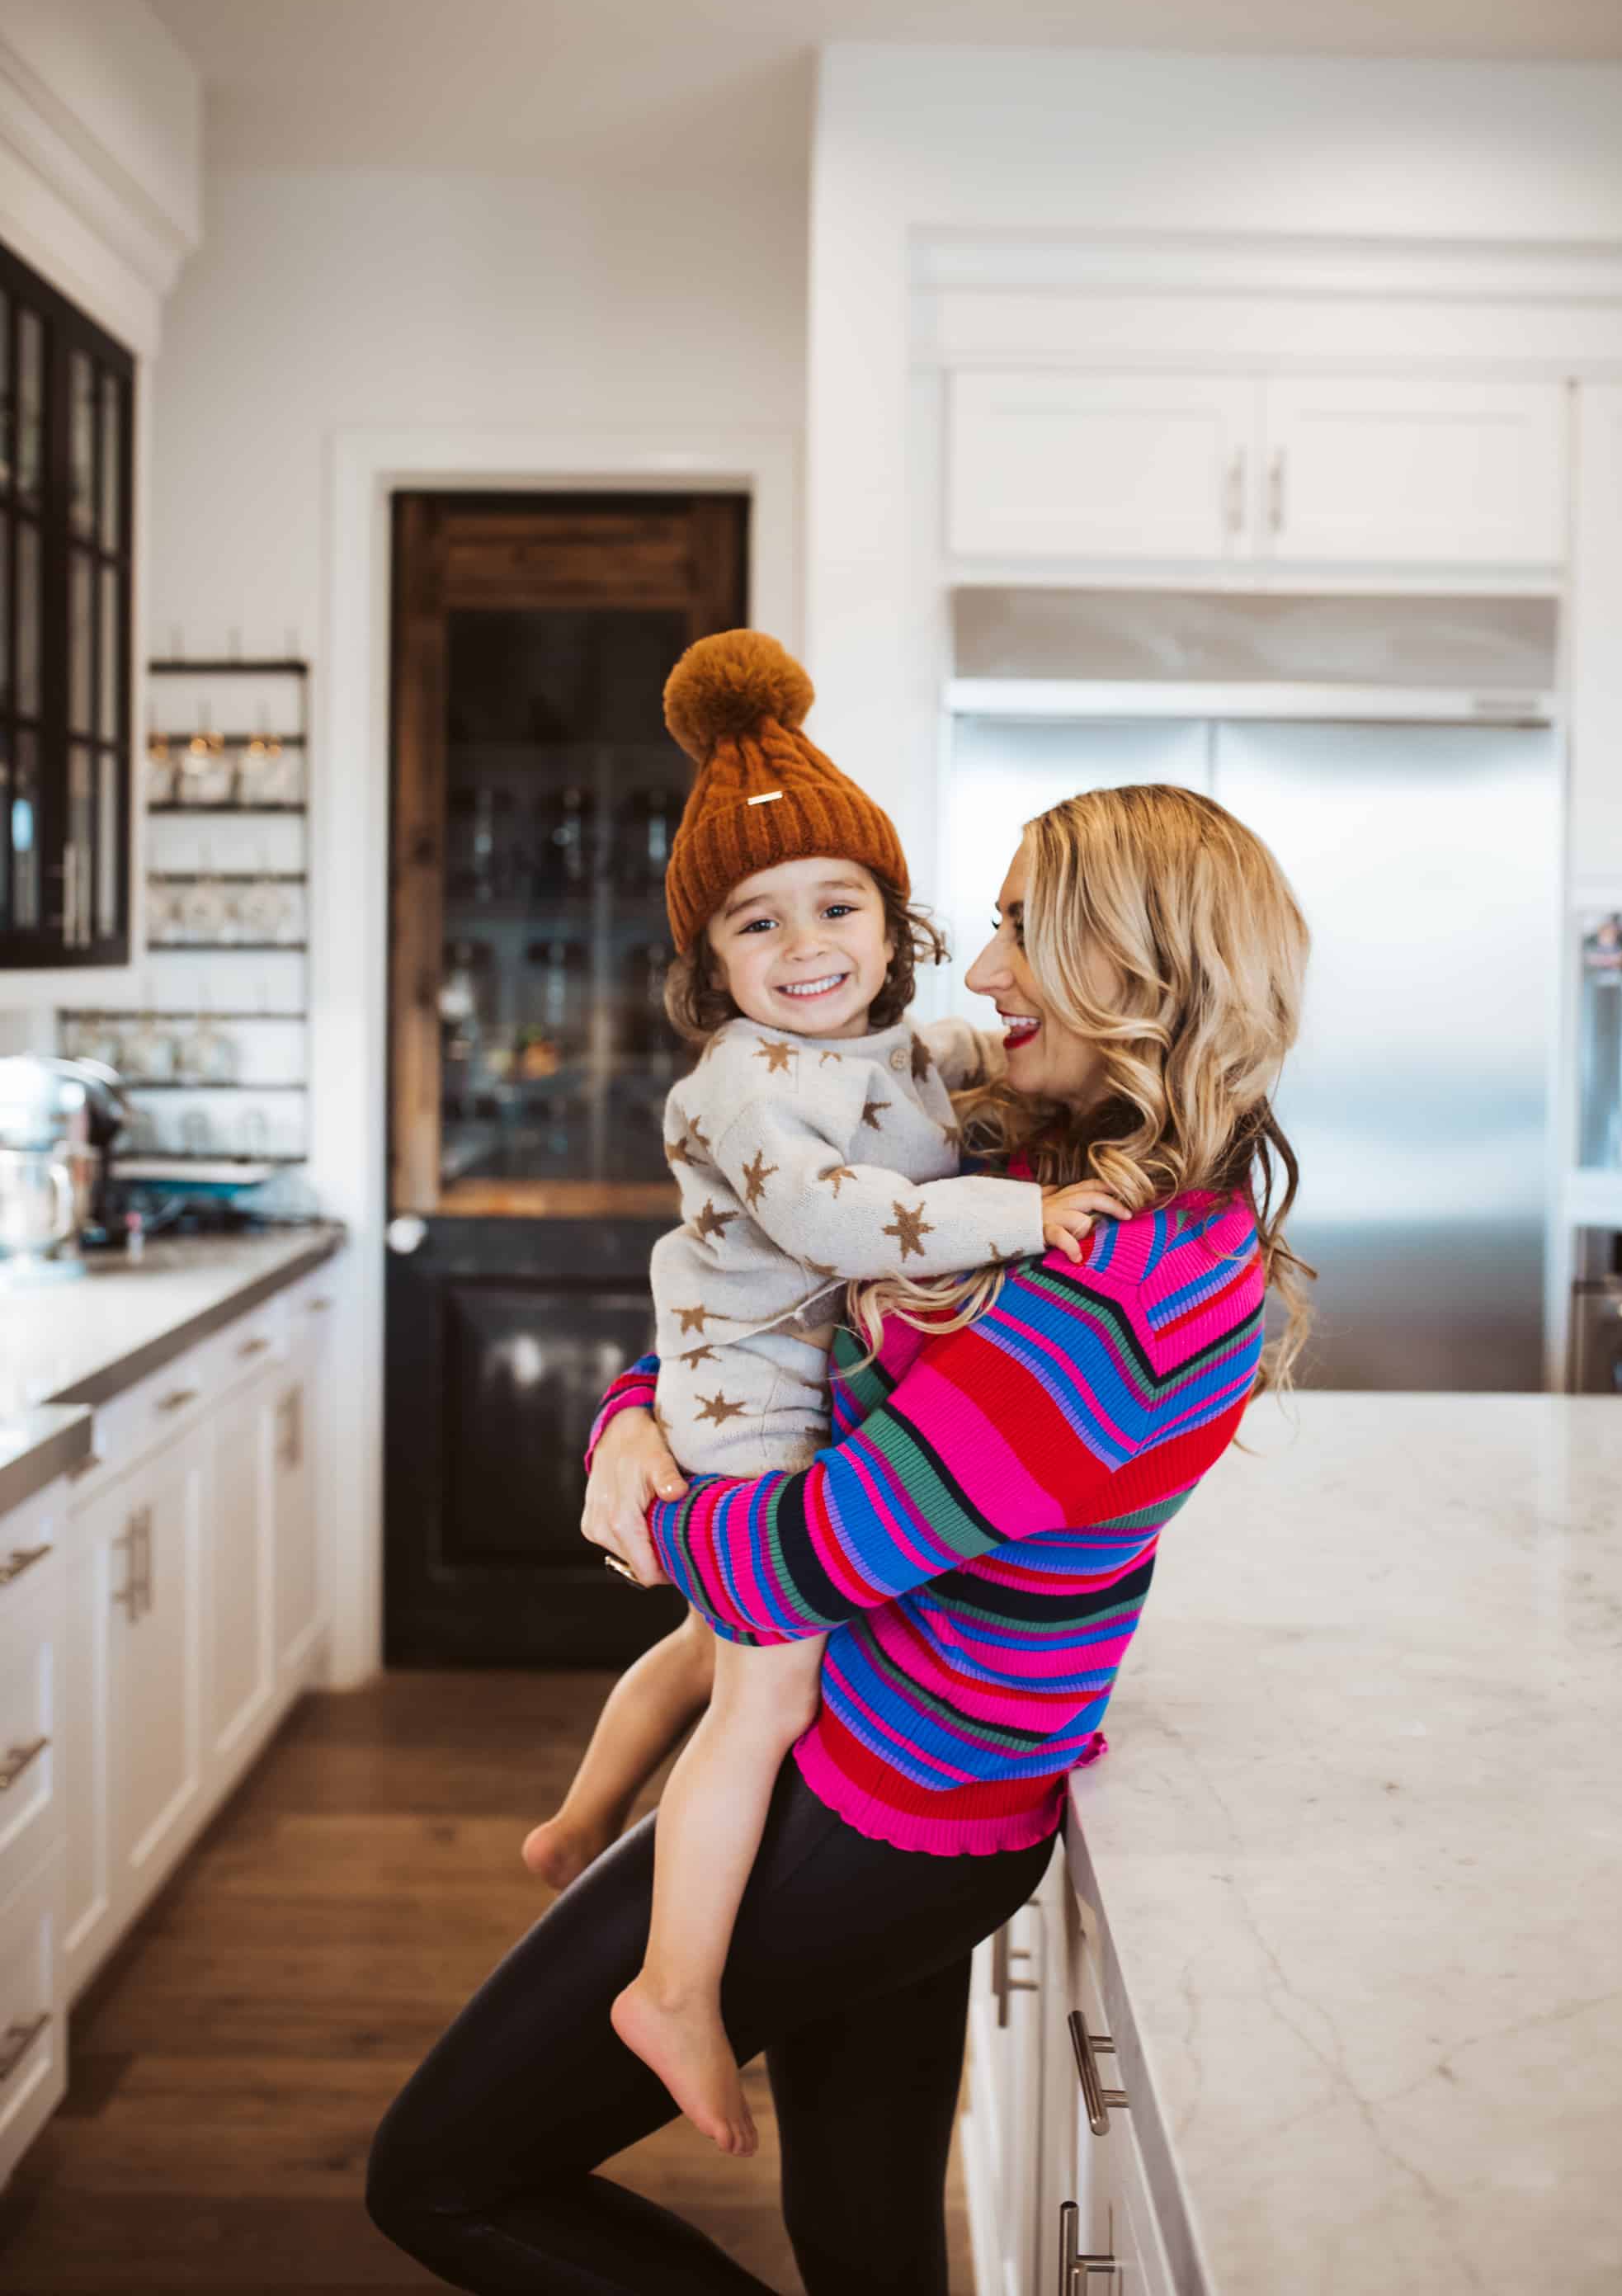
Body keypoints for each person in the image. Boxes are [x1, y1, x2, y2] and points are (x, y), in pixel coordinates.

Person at [367, 778, 1311, 2296]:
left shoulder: (1127, 1280)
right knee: (862, 2238)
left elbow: (814, 1554)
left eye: (1019, 929)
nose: (984, 970)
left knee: (441, 2177)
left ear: (1134, 970)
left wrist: (658, 1506)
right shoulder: (1035, 1162)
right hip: (893, 1771)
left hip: (881, 1807)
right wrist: (632, 1412)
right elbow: (767, 1303)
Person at [521, 628, 1117, 2153]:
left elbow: (1014, 1050)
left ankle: (584, 1821)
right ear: (707, 966)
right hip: (751, 1399)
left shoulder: (904, 1044)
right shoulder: (747, 1081)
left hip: (770, 1382)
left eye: (838, 905)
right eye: (754, 922)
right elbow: (842, 1219)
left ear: (891, 920)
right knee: (763, 1688)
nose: (805, 945)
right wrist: (1025, 1216)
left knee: (712, 1649)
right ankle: (669, 1987)